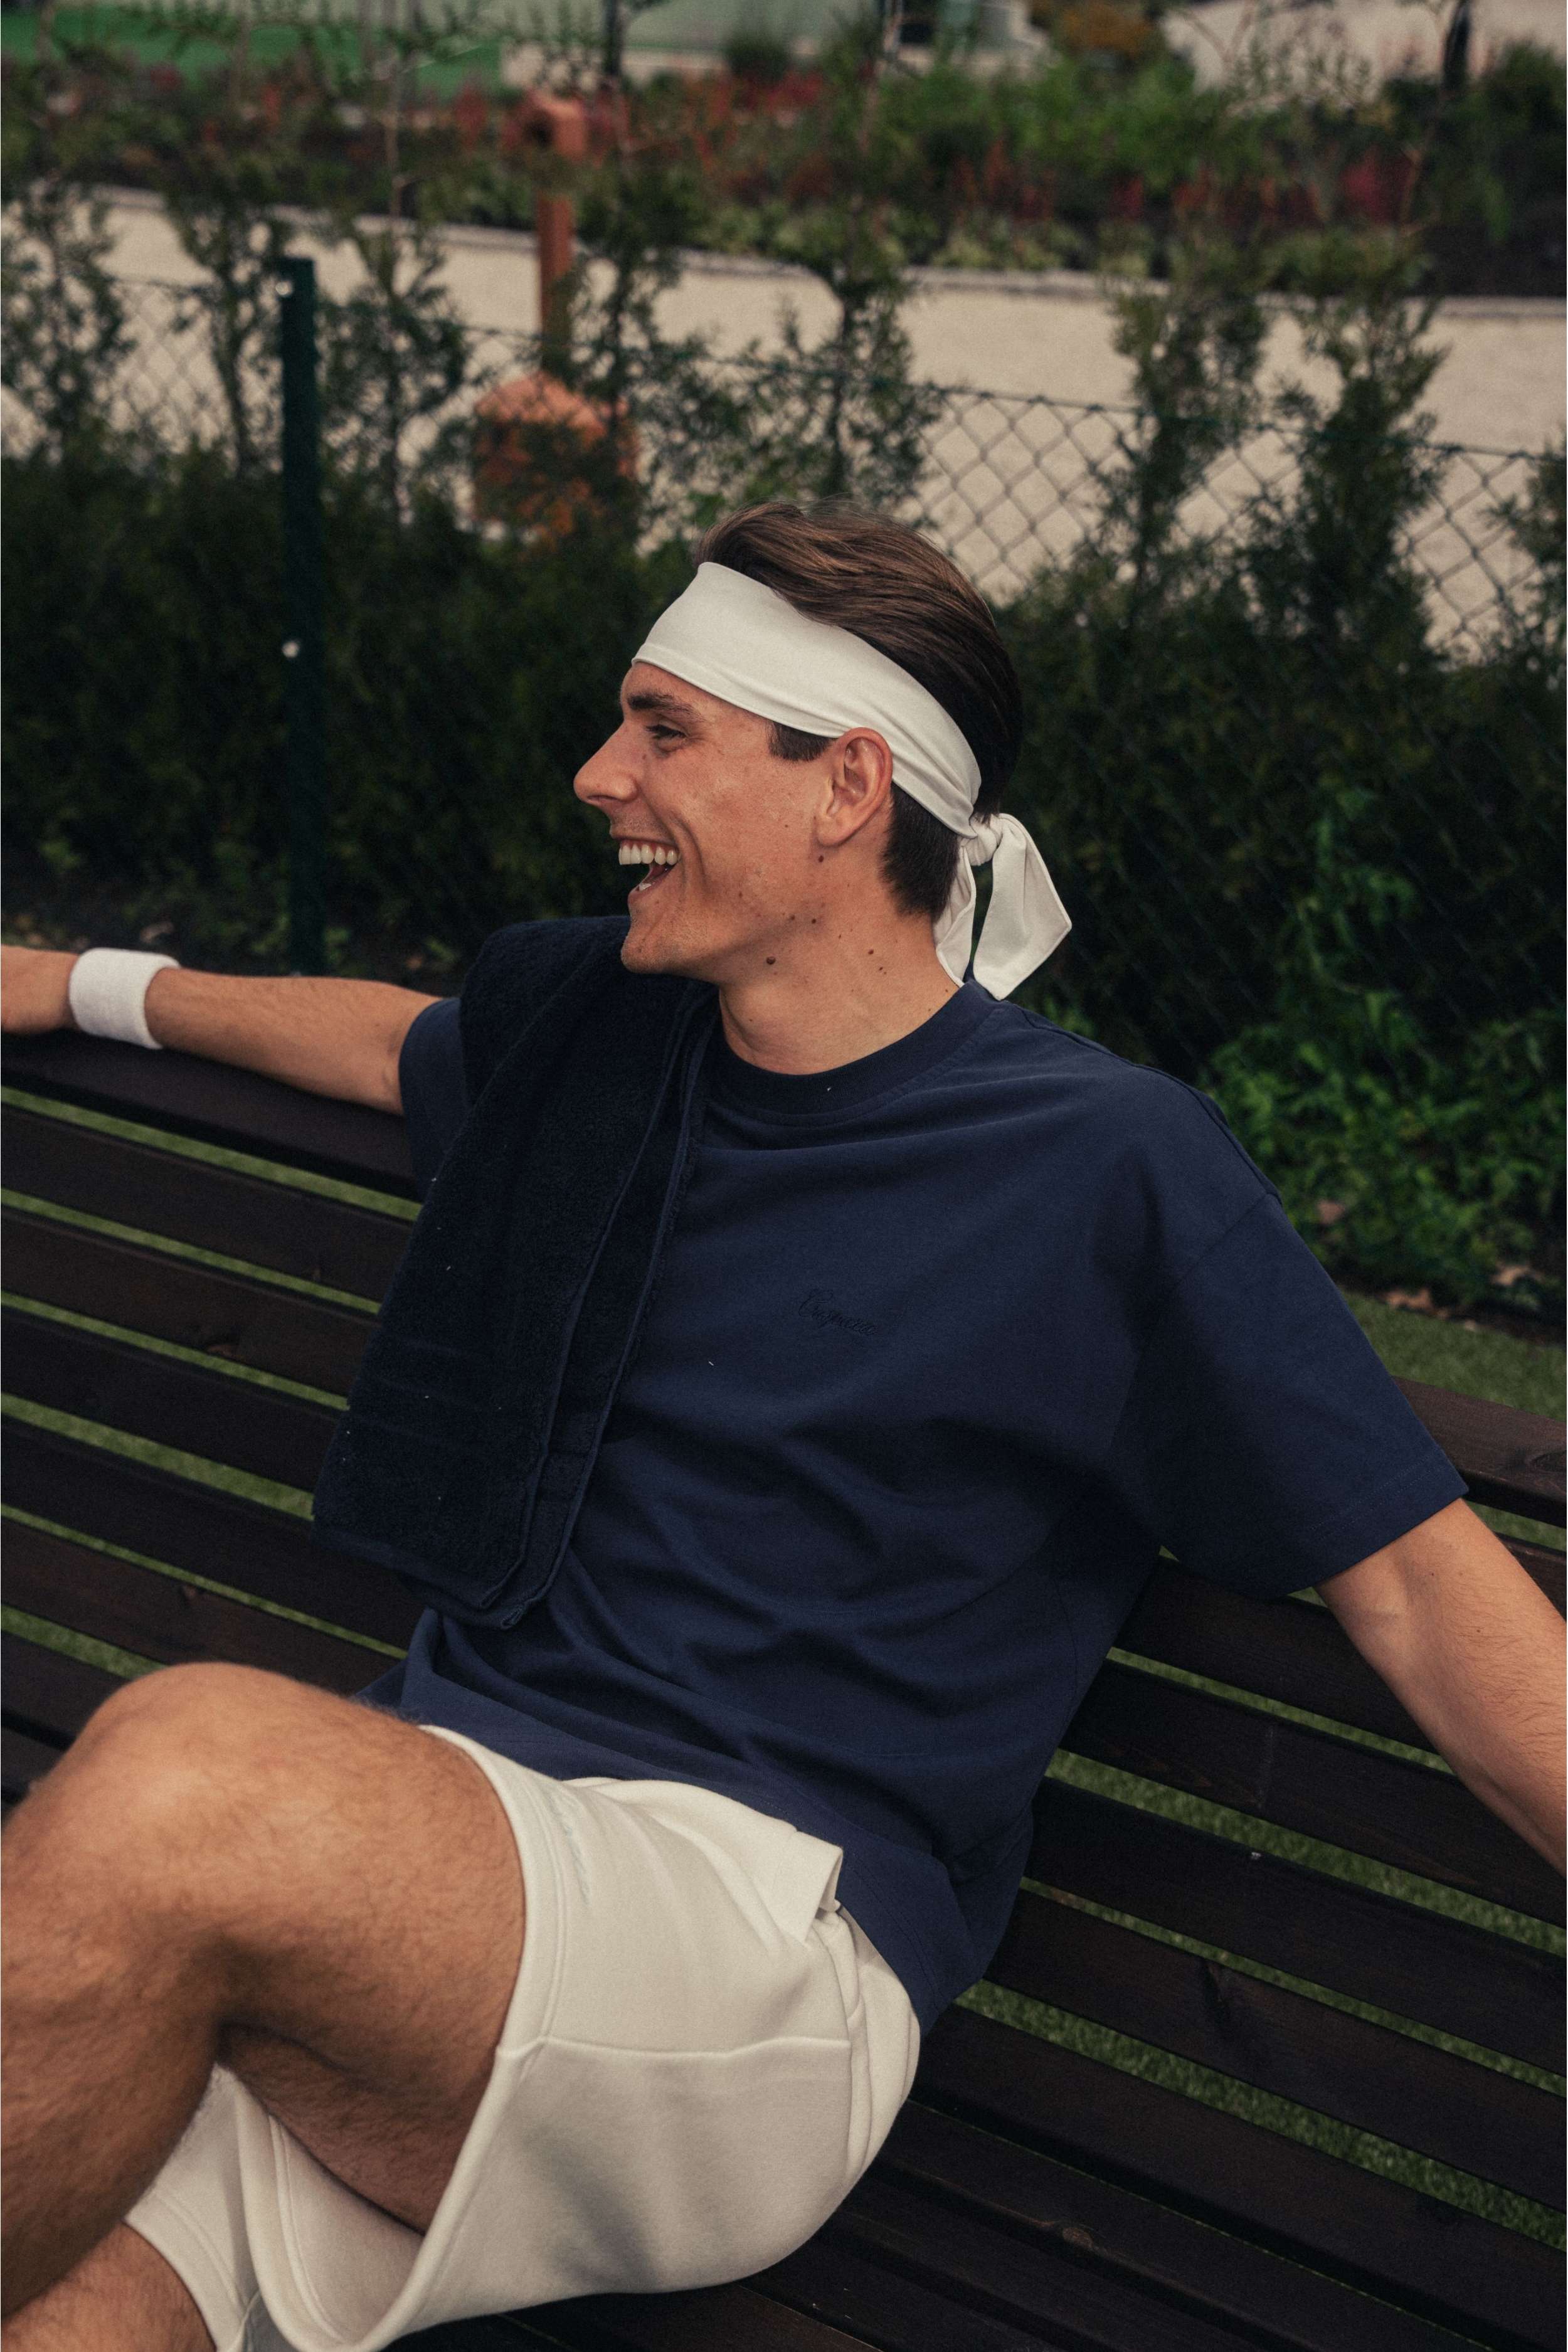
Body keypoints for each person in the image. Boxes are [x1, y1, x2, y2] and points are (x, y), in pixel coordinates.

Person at [2, 503, 1562, 2352]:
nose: (600, 775)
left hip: (751, 1951)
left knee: (179, 1774)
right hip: (450, 1880)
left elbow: (1416, 1588)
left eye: (664, 729)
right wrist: (80, 983)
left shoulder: (1104, 1166)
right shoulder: (605, 1046)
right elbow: (388, 1043)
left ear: (847, 785)